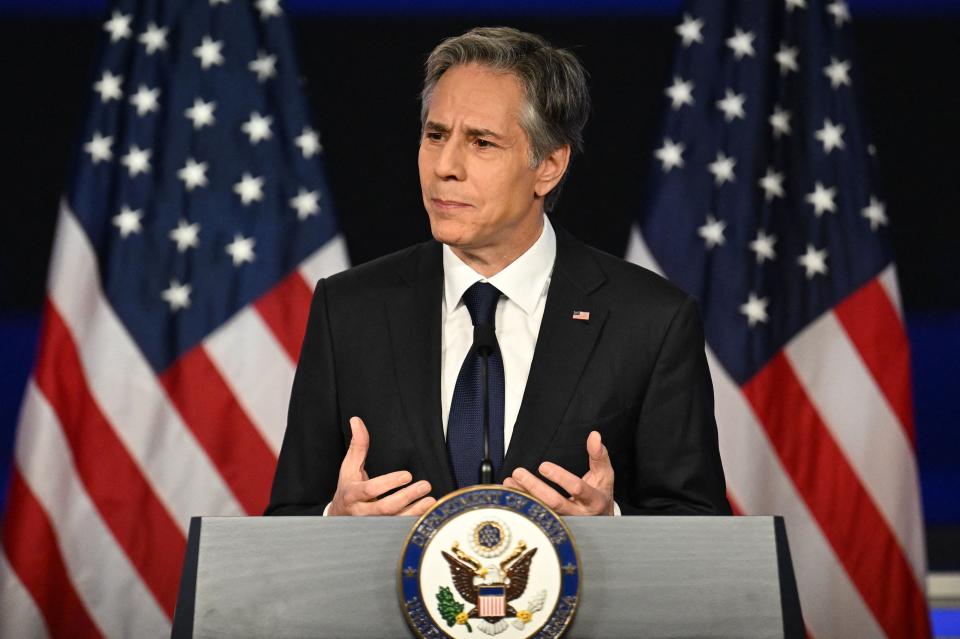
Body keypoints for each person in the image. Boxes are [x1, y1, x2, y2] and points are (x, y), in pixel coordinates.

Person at [266, 27, 730, 518]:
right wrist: (334, 520)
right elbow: (287, 518)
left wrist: (611, 529)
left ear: (548, 166)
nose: (445, 166)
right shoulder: (348, 310)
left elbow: (699, 526)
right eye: (435, 135)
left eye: (482, 143)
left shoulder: (651, 320)